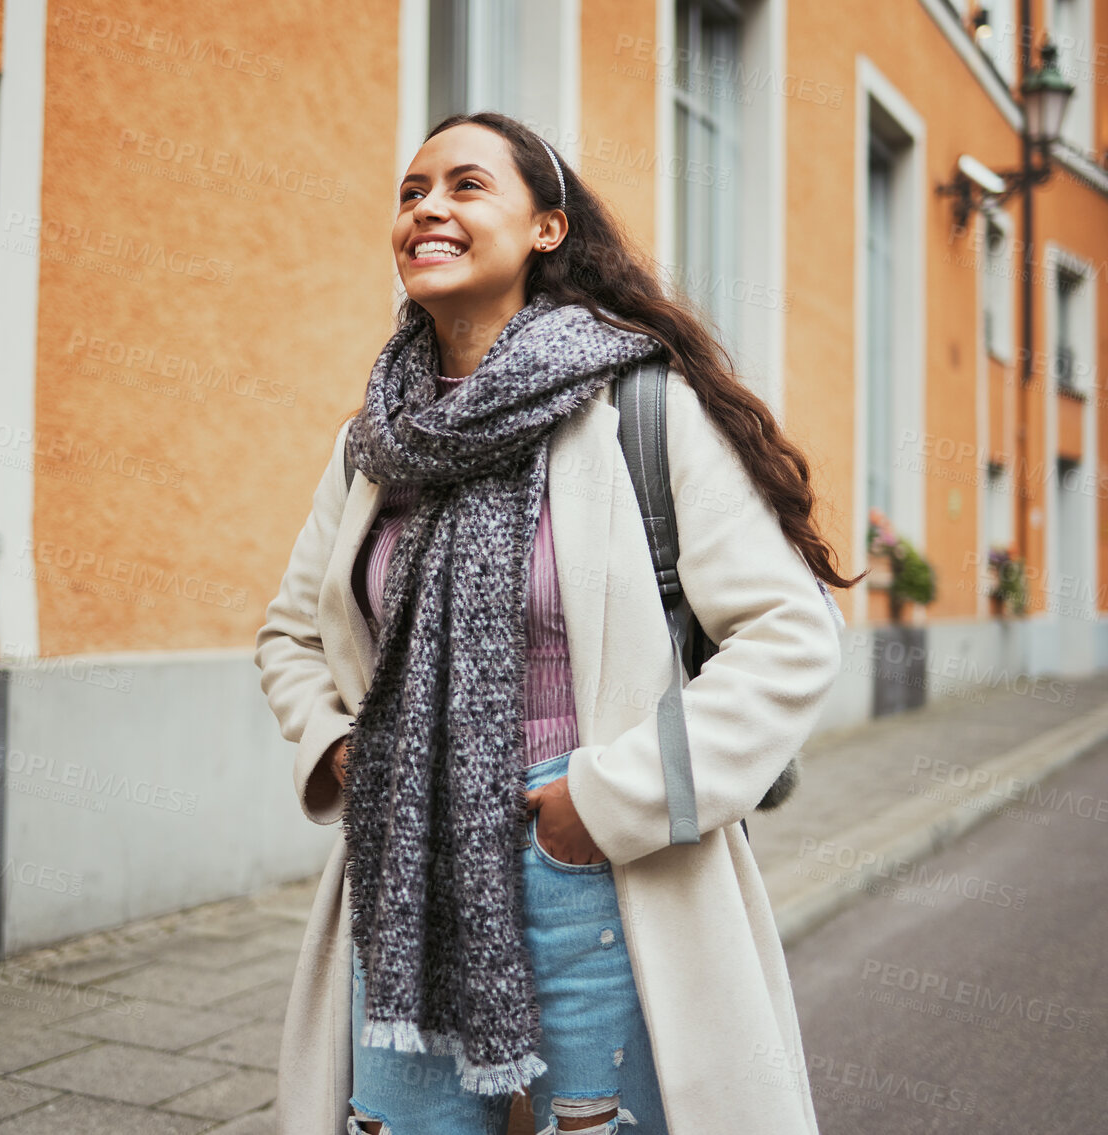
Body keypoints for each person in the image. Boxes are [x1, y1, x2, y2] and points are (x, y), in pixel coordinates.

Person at [254, 111, 854, 1135]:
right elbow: (290, 635)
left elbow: (790, 637)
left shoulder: (637, 406)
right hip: (407, 874)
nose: (428, 207)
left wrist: (598, 804)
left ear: (547, 228)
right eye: (411, 191)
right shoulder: (374, 441)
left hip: (596, 864)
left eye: (466, 185)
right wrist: (353, 754)